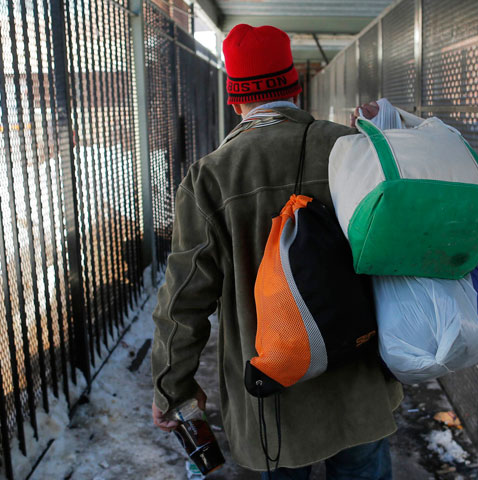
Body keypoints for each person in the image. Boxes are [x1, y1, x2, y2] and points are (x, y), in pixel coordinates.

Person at [150, 24, 402, 479]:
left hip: (276, 399)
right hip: (360, 380)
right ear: (295, 85)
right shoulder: (349, 146)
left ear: (234, 98)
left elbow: (184, 300)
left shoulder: (211, 177)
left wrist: (173, 388)